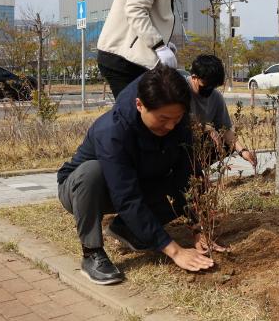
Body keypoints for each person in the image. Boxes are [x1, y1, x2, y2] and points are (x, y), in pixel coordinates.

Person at [57, 65, 214, 285]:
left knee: (179, 183)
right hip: (85, 191)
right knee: (92, 172)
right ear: (139, 105)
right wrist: (176, 251)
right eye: (163, 119)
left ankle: (127, 229)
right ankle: (92, 253)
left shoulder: (177, 122)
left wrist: (199, 227)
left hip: (137, 182)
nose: (170, 125)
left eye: (177, 118)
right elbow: (126, 197)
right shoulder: (112, 132)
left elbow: (189, 173)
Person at [96, 0, 207, 98]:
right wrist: (158, 45)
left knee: (145, 112)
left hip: (132, 59)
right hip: (121, 59)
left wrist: (165, 44)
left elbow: (152, 17)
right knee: (135, 113)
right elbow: (135, 10)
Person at [185, 54, 258, 168]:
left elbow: (225, 130)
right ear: (194, 77)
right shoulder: (180, 90)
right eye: (206, 85)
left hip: (199, 143)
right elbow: (175, 122)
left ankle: (196, 171)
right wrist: (205, 127)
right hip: (181, 142)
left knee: (225, 144)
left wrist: (243, 151)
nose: (210, 89)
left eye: (213, 86)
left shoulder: (216, 97)